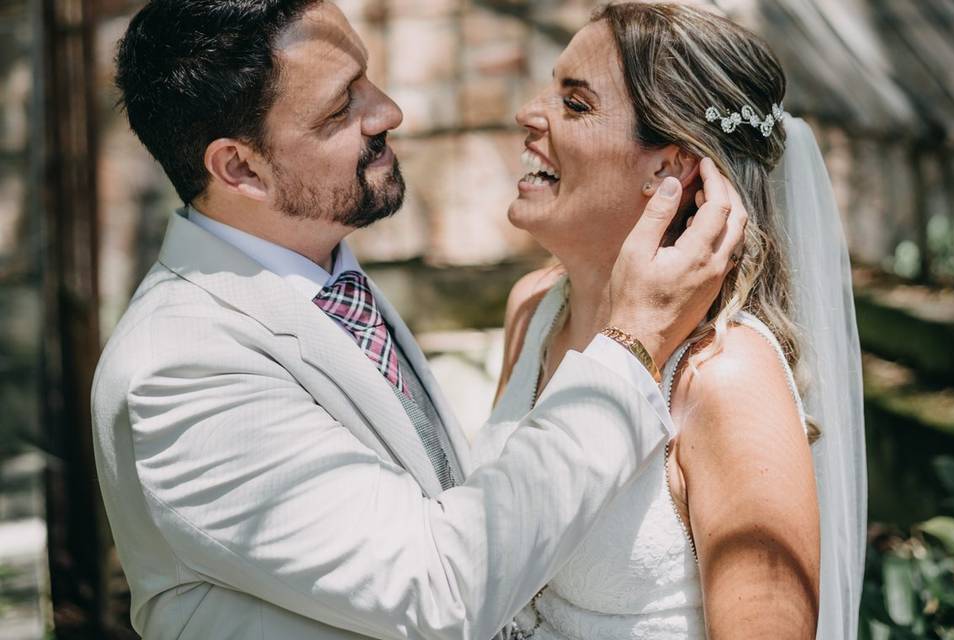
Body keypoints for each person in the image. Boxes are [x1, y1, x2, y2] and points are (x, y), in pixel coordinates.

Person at [91, 1, 748, 638]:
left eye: (367, 78)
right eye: (341, 106)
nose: (389, 112)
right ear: (241, 167)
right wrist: (631, 340)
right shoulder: (183, 367)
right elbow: (441, 588)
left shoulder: (319, 273)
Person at [477, 3, 866, 639]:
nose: (529, 112)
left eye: (575, 104)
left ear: (669, 168)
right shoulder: (534, 309)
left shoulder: (723, 377)